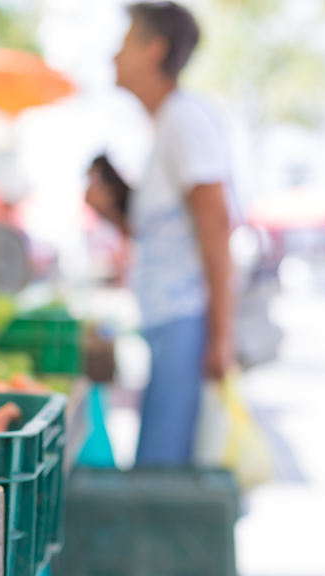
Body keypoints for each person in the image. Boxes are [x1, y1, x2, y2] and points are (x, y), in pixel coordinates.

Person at [86, 2, 233, 466]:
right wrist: (110, 213)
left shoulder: (183, 119)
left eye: (125, 41)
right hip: (170, 322)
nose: (113, 54)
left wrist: (220, 336)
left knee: (160, 469)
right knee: (157, 460)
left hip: (186, 320)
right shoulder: (167, 125)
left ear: (155, 50)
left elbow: (216, 222)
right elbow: (165, 238)